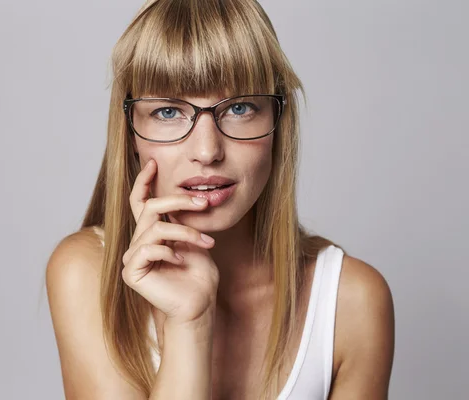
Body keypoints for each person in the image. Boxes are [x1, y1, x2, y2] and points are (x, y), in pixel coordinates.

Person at [46, 0, 395, 399]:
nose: (208, 150)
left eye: (240, 108)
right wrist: (188, 325)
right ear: (130, 134)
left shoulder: (351, 303)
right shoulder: (86, 273)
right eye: (167, 112)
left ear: (279, 122)